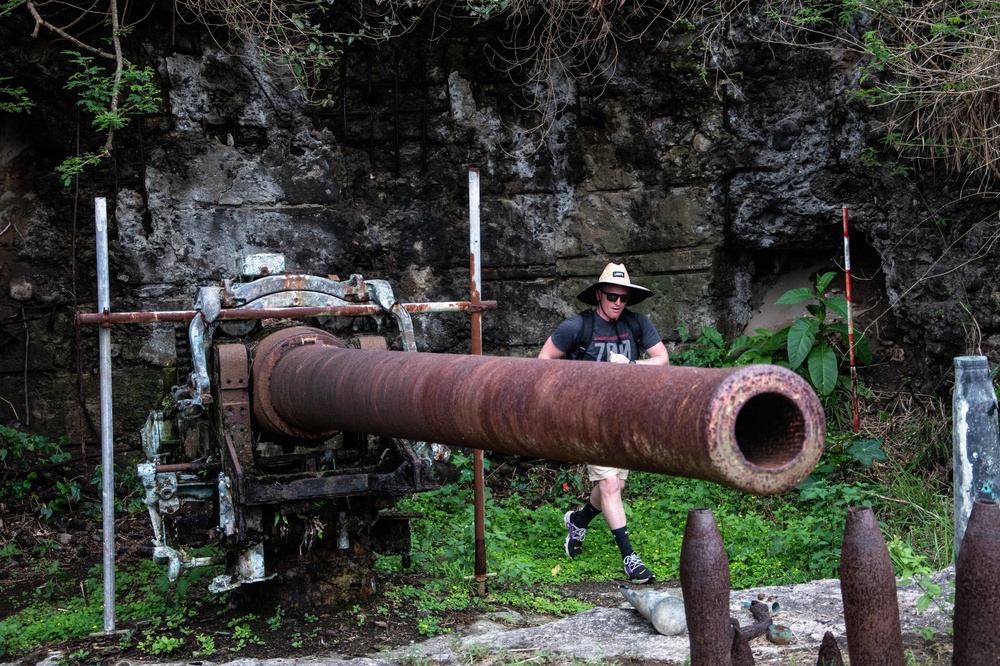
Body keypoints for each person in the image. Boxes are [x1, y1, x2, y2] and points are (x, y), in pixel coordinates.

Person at [538, 263, 669, 584]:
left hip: (624, 416)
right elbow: (543, 363)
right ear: (599, 295)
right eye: (611, 296)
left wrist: (632, 365)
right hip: (588, 417)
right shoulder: (576, 327)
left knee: (614, 486)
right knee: (610, 485)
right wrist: (576, 389)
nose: (617, 302)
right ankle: (630, 558)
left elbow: (663, 359)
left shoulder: (637, 324)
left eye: (624, 298)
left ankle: (579, 520)